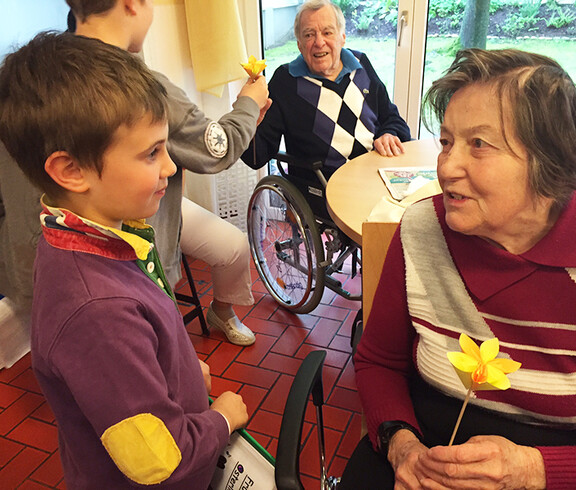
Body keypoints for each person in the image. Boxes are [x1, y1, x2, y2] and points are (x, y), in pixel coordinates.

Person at [0, 31, 250, 488]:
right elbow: (159, 459)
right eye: (151, 153)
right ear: (71, 171)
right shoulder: (97, 311)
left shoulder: (92, 235)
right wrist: (220, 420)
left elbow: (135, 354)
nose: (171, 168)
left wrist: (180, 374)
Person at [347, 48, 576, 489]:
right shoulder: (422, 229)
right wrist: (402, 446)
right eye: (447, 141)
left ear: (548, 161)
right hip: (426, 442)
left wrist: (534, 470)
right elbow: (379, 361)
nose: (447, 167)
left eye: (479, 144)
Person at [241, 0, 411, 184]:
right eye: (309, 35)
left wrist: (389, 134)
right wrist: (247, 118)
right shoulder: (286, 81)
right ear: (299, 44)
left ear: (342, 37)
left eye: (327, 32)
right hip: (326, 189)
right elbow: (256, 157)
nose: (319, 42)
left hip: (378, 176)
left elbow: (392, 118)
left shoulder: (360, 63)